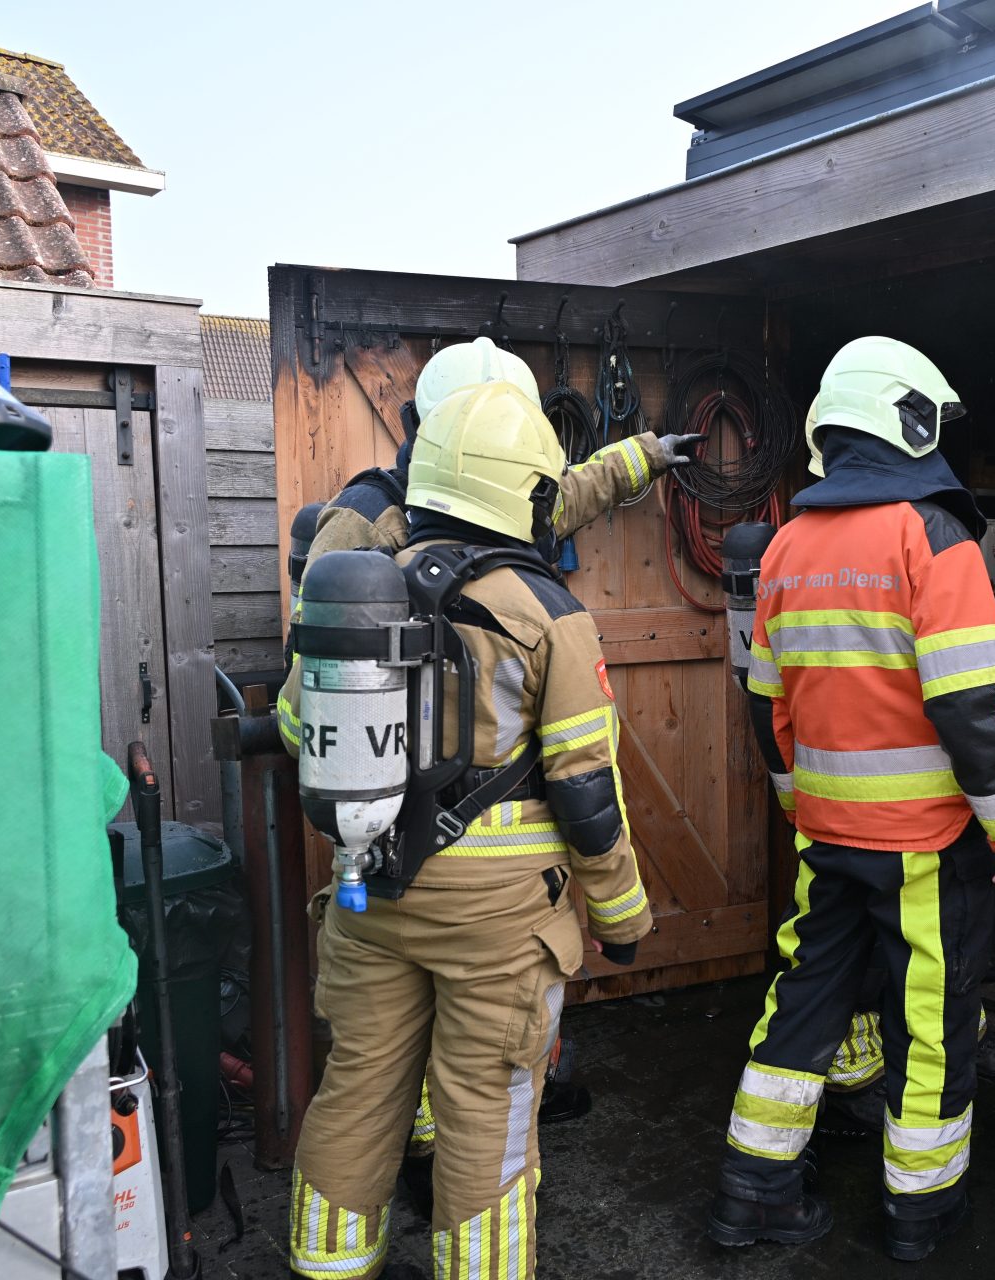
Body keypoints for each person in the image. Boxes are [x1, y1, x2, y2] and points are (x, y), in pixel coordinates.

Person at [276, 336, 698, 1206]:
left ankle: (328, 1267)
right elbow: (586, 790)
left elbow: (294, 719)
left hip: (371, 887)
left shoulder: (366, 576)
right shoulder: (550, 616)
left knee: (356, 1097)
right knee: (490, 1116)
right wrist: (624, 919)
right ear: (523, 479)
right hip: (498, 919)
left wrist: (638, 460)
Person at [707, 336, 995, 1261]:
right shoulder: (931, 535)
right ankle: (919, 1213)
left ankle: (752, 1191)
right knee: (931, 1023)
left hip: (828, 837)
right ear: (912, 418)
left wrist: (797, 803)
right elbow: (971, 706)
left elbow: (765, 702)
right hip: (926, 847)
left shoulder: (784, 546)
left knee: (804, 1000)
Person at [277, 335, 698, 752]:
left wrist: (650, 454)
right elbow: (312, 694)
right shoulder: (363, 516)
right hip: (405, 770)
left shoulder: (509, 499)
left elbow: (574, 493)